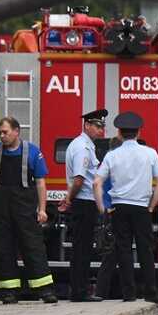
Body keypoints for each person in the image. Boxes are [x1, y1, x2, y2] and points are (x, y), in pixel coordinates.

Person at [0, 117, 57, 304]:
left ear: (17, 131)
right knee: (3, 248)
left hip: (24, 209)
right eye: (0, 132)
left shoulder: (32, 151)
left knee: (33, 247)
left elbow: (41, 183)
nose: (2, 136)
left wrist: (42, 209)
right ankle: (9, 291)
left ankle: (44, 290)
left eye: (5, 132)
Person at [93, 111, 158, 306]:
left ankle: (129, 293)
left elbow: (97, 183)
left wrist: (102, 208)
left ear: (119, 132)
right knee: (145, 250)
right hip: (141, 208)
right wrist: (151, 206)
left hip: (119, 208)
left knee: (123, 250)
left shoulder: (112, 155)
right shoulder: (149, 153)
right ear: (139, 132)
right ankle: (151, 292)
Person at [60, 109, 107, 302]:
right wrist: (69, 199)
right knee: (82, 249)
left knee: (83, 248)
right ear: (86, 125)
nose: (100, 130)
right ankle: (79, 292)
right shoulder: (82, 148)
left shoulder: (86, 145)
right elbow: (79, 180)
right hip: (83, 202)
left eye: (102, 127)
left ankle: (80, 290)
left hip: (84, 202)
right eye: (97, 126)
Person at [95, 137, 121, 300]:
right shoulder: (114, 163)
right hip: (114, 212)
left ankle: (103, 292)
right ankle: (102, 292)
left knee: (111, 255)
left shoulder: (105, 162)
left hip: (109, 212)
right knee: (113, 255)